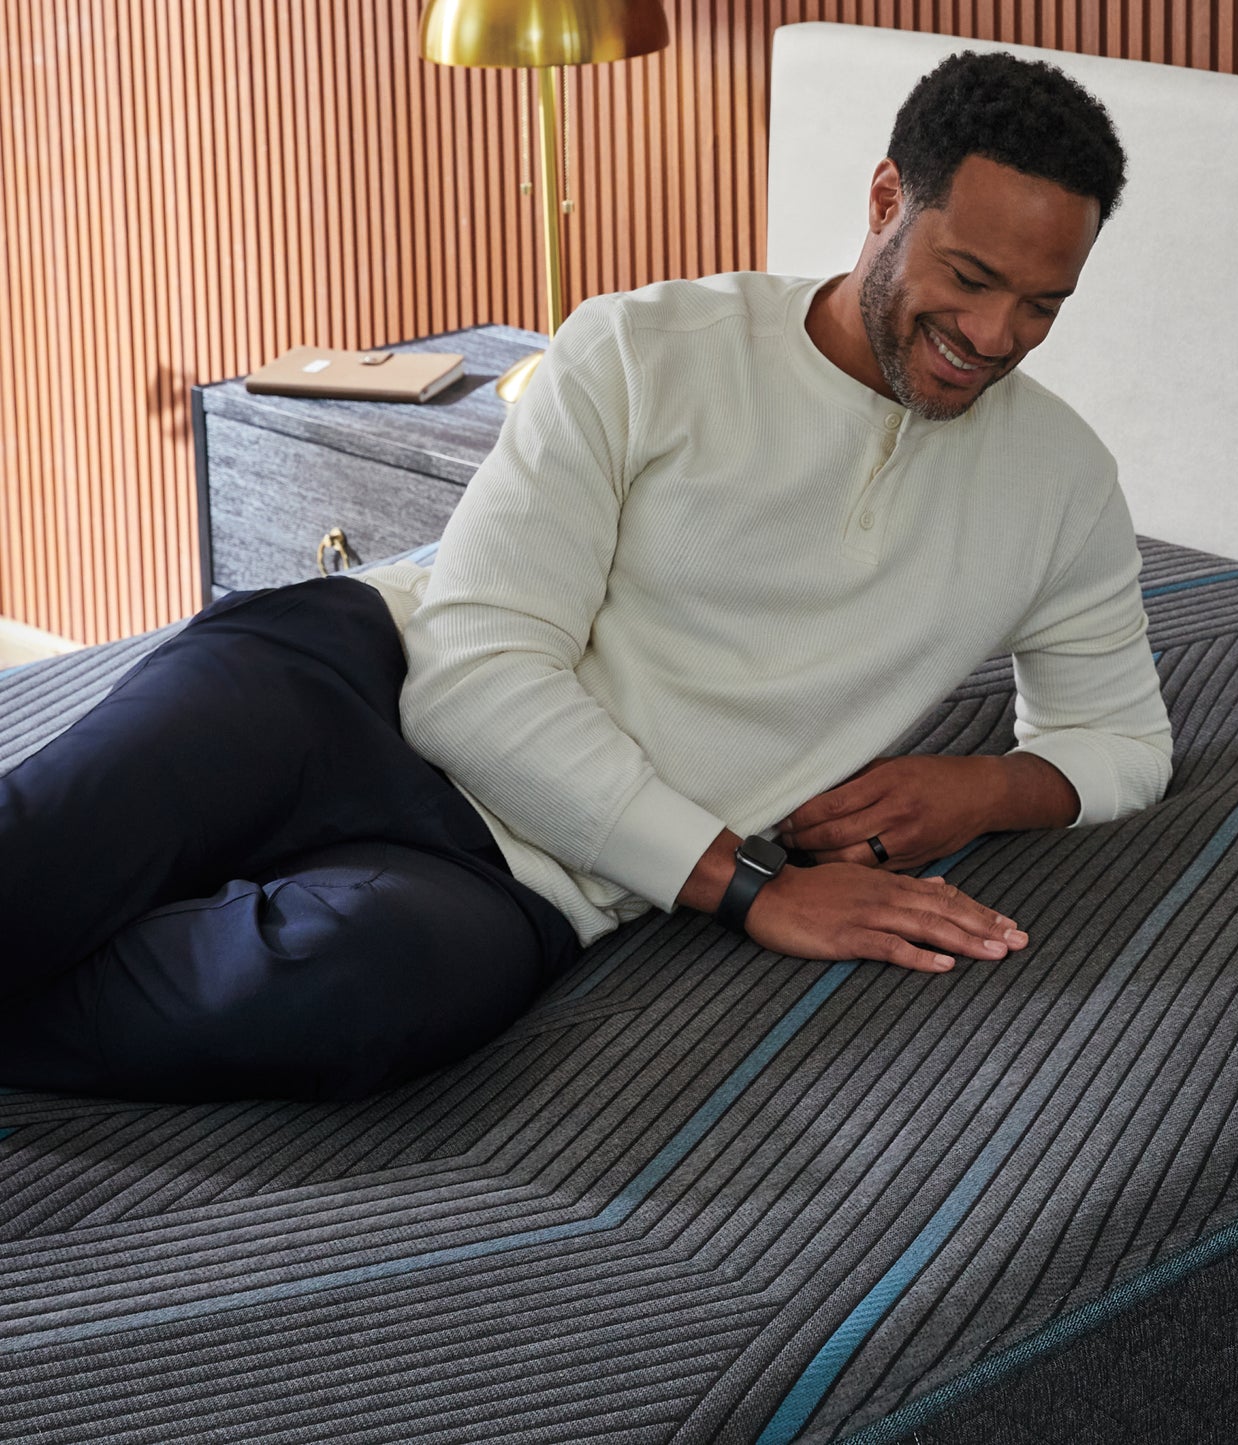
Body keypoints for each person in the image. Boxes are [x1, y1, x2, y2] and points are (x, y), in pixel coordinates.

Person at [0, 51, 1170, 1103]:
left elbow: (1119, 741)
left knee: (359, 997)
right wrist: (746, 884)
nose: (995, 332)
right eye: (967, 275)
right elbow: (467, 676)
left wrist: (982, 788)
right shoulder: (640, 349)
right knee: (41, 852)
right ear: (882, 203)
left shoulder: (1058, 482)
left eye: (1041, 303)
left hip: (539, 876)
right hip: (345, 690)